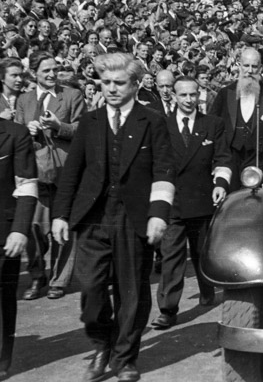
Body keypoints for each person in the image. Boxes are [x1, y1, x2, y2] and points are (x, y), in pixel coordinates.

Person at [52, 52, 175, 382]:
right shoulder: (90, 123)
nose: (111, 88)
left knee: (131, 293)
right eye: (105, 82)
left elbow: (164, 170)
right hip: (93, 217)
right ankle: (101, 342)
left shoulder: (152, 121)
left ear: (135, 85)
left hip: (133, 218)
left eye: (119, 83)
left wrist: (158, 214)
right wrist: (61, 215)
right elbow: (72, 172)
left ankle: (124, 359)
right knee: (91, 289)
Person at [152, 76, 232, 330]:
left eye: (192, 95)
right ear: (174, 97)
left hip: (202, 199)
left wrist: (220, 183)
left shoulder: (213, 124)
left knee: (202, 252)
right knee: (172, 256)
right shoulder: (162, 126)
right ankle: (168, 308)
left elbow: (222, 158)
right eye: (183, 95)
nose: (188, 100)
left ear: (200, 95)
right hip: (173, 201)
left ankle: (207, 288)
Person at [15, 51, 85, 301]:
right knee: (33, 227)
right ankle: (37, 275)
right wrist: (27, 130)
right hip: (36, 171)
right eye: (46, 71)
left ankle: (59, 280)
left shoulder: (72, 95)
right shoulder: (24, 99)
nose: (52, 74)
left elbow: (82, 128)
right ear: (34, 73)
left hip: (65, 172)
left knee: (64, 228)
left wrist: (59, 127)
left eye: (54, 69)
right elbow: (17, 132)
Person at [208, 47, 263, 191]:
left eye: (254, 66)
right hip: (231, 160)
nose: (249, 70)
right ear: (239, 65)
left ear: (260, 68)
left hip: (258, 161)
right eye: (246, 65)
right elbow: (213, 128)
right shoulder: (225, 94)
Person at [0, 113, 37, 378]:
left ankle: (1, 360)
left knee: (2, 299)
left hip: (4, 233)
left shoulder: (15, 133)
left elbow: (26, 186)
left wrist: (19, 229)